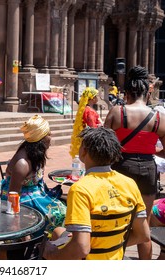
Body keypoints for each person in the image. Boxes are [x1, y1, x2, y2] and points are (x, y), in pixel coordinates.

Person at [43, 127, 151, 260]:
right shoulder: (130, 183)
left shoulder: (80, 189)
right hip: (116, 257)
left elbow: (81, 248)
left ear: (84, 152)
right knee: (58, 231)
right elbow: (143, 235)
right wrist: (110, 246)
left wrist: (53, 255)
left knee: (49, 245)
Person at [104, 65, 165, 259]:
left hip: (121, 169)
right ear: (147, 91)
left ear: (127, 91)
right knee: (143, 224)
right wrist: (152, 150)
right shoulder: (158, 117)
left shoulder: (117, 112)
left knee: (117, 221)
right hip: (148, 169)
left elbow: (103, 147)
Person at [1, 115, 66, 235]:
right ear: (40, 138)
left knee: (65, 204)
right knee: (61, 213)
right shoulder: (22, 164)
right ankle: (44, 244)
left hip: (34, 193)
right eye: (49, 134)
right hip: (22, 201)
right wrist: (18, 229)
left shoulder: (34, 155)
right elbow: (13, 197)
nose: (51, 138)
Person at [70, 87, 103, 158]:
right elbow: (92, 127)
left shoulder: (85, 109)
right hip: (92, 138)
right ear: (92, 98)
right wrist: (100, 125)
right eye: (96, 96)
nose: (97, 98)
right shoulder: (89, 111)